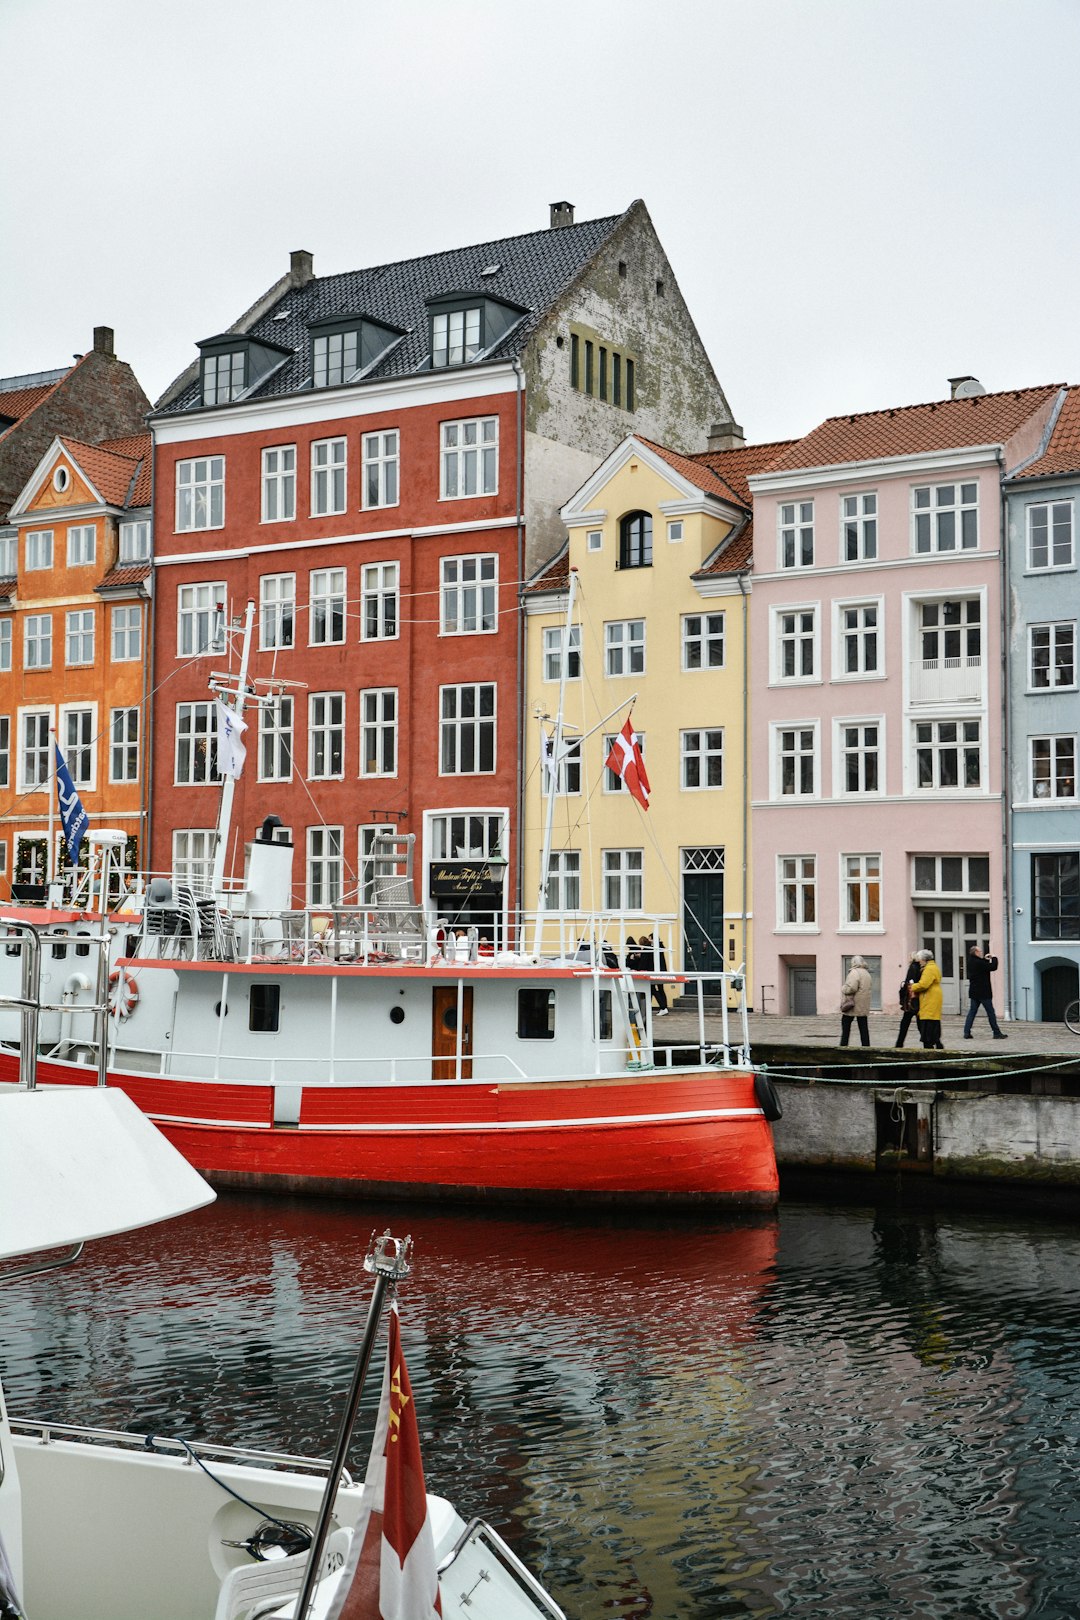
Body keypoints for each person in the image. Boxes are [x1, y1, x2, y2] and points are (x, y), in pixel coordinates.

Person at [964, 945, 1007, 1039]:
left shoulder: (971, 961)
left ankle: (966, 1032)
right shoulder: (978, 962)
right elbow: (992, 967)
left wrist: (985, 959)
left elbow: (982, 965)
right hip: (983, 991)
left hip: (974, 991)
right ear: (975, 952)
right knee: (990, 1012)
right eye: (979, 951)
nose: (981, 952)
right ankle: (996, 1032)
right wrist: (994, 958)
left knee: (972, 1012)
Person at [911, 949, 944, 1050]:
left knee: (928, 1021)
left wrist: (912, 986)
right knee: (933, 1020)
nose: (919, 961)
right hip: (932, 996)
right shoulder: (933, 967)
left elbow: (924, 984)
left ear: (924, 959)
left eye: (920, 959)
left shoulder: (929, 969)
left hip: (929, 997)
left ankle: (930, 1044)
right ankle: (937, 1042)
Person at [839, 954, 872, 1047]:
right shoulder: (867, 973)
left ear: (854, 963)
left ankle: (843, 1046)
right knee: (863, 1028)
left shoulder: (854, 972)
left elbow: (851, 988)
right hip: (863, 1004)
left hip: (853, 1004)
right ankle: (866, 1047)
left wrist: (843, 988)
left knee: (846, 1025)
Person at [895, 951, 923, 1049]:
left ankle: (899, 1043)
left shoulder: (913, 967)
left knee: (905, 1022)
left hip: (911, 998)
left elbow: (909, 982)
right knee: (920, 1022)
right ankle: (929, 1042)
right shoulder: (920, 968)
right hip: (918, 998)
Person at [641, 933, 669, 1015]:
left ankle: (663, 1007)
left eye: (650, 938)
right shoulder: (659, 947)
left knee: (654, 989)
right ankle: (664, 1007)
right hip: (660, 970)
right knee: (660, 989)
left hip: (656, 971)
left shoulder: (655, 948)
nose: (648, 940)